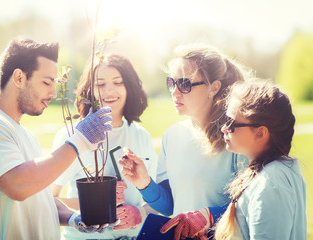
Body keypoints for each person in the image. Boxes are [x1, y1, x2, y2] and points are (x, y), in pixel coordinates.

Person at [0, 37, 113, 239]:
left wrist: (74, 218)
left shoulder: (26, 135)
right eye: (46, 82)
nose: (53, 92)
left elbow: (40, 197)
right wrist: (80, 140)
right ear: (19, 78)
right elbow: (18, 185)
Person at [118, 44, 250, 239]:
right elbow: (169, 205)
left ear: (213, 87)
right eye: (172, 83)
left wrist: (208, 217)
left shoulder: (236, 137)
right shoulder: (171, 136)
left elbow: (251, 204)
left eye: (185, 84)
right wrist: (144, 183)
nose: (175, 92)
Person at [51, 53, 158, 240]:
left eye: (118, 82)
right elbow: (46, 200)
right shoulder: (73, 136)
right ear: (89, 90)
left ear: (130, 87)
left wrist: (140, 212)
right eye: (100, 84)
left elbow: (158, 200)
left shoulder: (141, 136)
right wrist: (95, 202)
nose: (109, 91)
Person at [213, 80, 306, 239]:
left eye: (230, 122)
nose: (223, 128)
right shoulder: (274, 173)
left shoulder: (270, 184)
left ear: (261, 133)